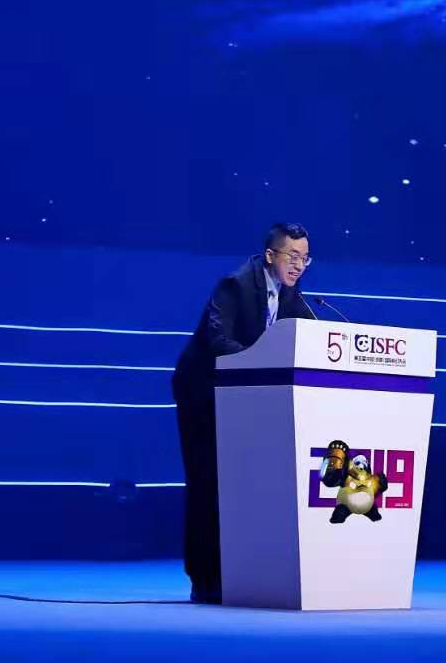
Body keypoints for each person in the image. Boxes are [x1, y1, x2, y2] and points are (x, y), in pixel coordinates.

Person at [171, 222, 319, 604]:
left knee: (242, 485)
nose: (299, 265)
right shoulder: (235, 285)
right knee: (208, 481)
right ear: (270, 255)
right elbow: (217, 340)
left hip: (245, 397)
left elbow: (311, 339)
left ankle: (241, 574)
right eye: (292, 256)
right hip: (203, 393)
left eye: (305, 258)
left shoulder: (292, 295)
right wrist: (262, 362)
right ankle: (205, 579)